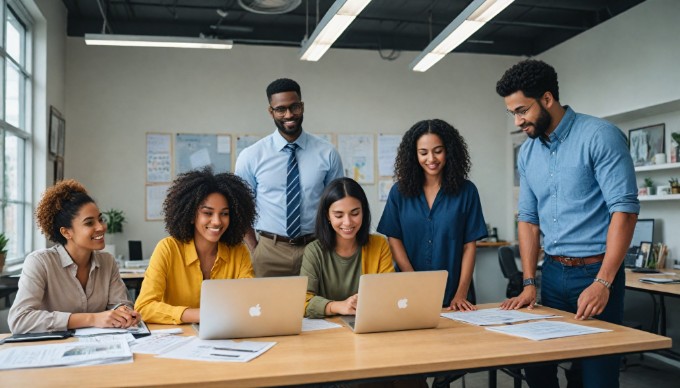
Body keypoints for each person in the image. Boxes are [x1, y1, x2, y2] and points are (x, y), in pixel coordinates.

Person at [496, 59, 639, 388]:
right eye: (512, 113)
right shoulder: (528, 153)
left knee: (596, 378)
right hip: (553, 275)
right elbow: (528, 220)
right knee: (538, 370)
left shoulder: (599, 136)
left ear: (547, 99)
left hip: (595, 273)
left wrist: (603, 282)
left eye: (522, 110)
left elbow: (625, 210)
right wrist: (530, 281)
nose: (518, 121)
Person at [235, 78, 344, 277]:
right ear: (271, 111)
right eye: (281, 109)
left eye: (295, 107)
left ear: (302, 106)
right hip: (269, 250)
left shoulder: (327, 153)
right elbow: (239, 207)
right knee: (267, 307)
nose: (289, 115)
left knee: (316, 306)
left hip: (316, 247)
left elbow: (338, 205)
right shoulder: (251, 156)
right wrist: (255, 247)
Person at [377, 119, 487, 311]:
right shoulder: (399, 192)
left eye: (438, 151)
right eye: (423, 153)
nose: (431, 159)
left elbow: (469, 246)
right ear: (414, 155)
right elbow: (394, 238)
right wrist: (413, 280)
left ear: (449, 151)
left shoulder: (467, 191)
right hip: (409, 292)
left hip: (455, 295)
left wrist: (461, 293)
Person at [8, 179, 139, 333]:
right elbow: (19, 320)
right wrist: (92, 319)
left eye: (100, 219)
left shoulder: (107, 261)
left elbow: (121, 303)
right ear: (66, 232)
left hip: (98, 347)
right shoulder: (40, 262)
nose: (101, 227)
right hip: (52, 350)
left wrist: (124, 312)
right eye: (89, 223)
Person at [134, 167, 257, 324]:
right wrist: (199, 315)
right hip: (177, 340)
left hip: (225, 335)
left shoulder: (239, 251)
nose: (217, 221)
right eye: (208, 213)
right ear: (192, 215)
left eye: (224, 213)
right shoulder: (168, 249)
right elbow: (144, 307)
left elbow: (247, 301)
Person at [301, 177, 394, 318]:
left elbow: (389, 293)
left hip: (370, 323)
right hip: (327, 331)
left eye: (355, 213)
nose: (347, 222)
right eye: (338, 215)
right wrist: (338, 306)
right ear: (328, 216)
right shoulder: (314, 251)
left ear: (363, 211)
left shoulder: (379, 245)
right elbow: (303, 301)